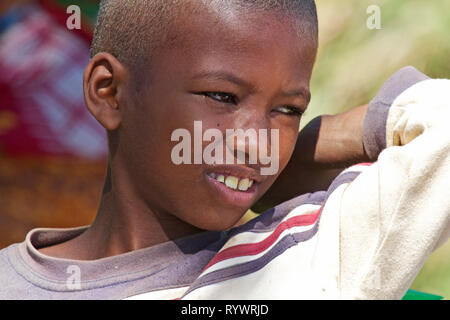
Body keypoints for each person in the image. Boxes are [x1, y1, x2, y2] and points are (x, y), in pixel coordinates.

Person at [0, 0, 448, 300]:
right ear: (110, 91)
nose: (255, 141)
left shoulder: (310, 254)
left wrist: (307, 155)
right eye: (222, 97)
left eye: (287, 109)